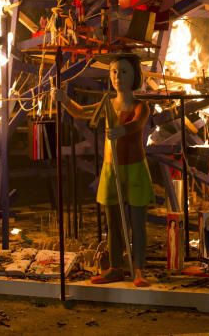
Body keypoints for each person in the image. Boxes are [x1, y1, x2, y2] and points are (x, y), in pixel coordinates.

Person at [57, 54, 153, 286]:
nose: (118, 77)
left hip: (135, 169)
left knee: (137, 222)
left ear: (134, 76)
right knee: (113, 223)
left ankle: (138, 269)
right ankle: (116, 268)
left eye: (123, 72)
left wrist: (122, 130)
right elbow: (81, 112)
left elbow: (138, 123)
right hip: (112, 169)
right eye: (114, 72)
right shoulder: (107, 104)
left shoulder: (141, 106)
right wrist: (63, 100)